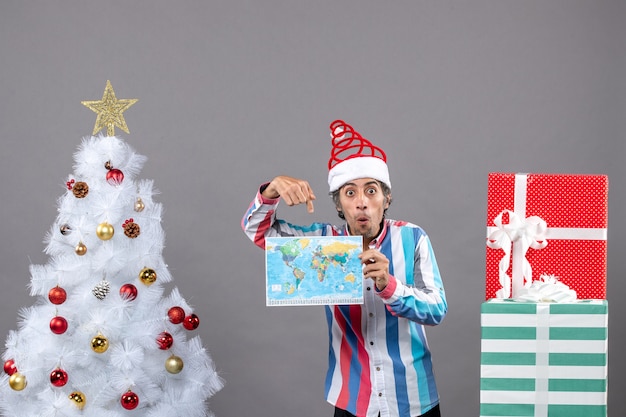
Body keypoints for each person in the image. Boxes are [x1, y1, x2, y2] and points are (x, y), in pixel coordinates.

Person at [241, 120, 447, 417]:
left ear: (387, 198)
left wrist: (390, 286)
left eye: (372, 191)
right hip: (352, 400)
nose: (362, 202)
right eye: (350, 193)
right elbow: (258, 232)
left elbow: (437, 308)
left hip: (414, 399)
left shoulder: (413, 237)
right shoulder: (321, 244)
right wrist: (271, 191)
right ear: (339, 205)